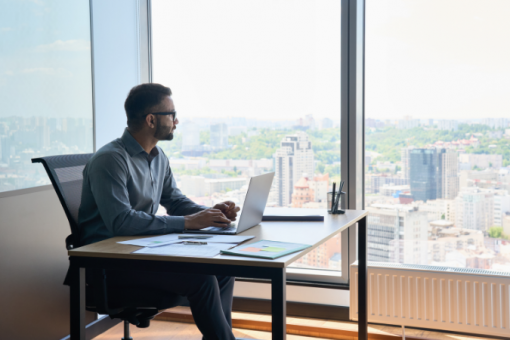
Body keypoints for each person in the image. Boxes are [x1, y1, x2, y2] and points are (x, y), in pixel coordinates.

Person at [78, 83, 240, 340]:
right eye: (171, 114)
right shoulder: (110, 160)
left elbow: (174, 200)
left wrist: (210, 213)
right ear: (151, 119)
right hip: (111, 262)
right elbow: (121, 222)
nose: (176, 121)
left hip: (144, 251)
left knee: (222, 267)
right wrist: (188, 222)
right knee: (201, 278)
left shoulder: (158, 156)